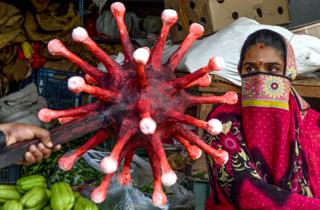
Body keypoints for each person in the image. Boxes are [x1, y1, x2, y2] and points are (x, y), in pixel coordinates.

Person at [204, 29, 320, 209]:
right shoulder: (221, 122)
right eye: (250, 69)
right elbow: (244, 192)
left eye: (273, 69)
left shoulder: (312, 123)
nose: (259, 78)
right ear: (240, 71)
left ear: (289, 71)